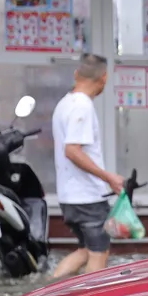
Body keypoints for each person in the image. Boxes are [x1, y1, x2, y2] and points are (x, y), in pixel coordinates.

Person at [49, 53, 125, 280]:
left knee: (84, 251)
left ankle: (47, 290)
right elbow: (72, 150)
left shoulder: (65, 103)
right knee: (98, 254)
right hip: (87, 198)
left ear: (76, 74)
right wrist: (108, 177)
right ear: (104, 78)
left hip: (69, 197)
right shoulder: (82, 106)